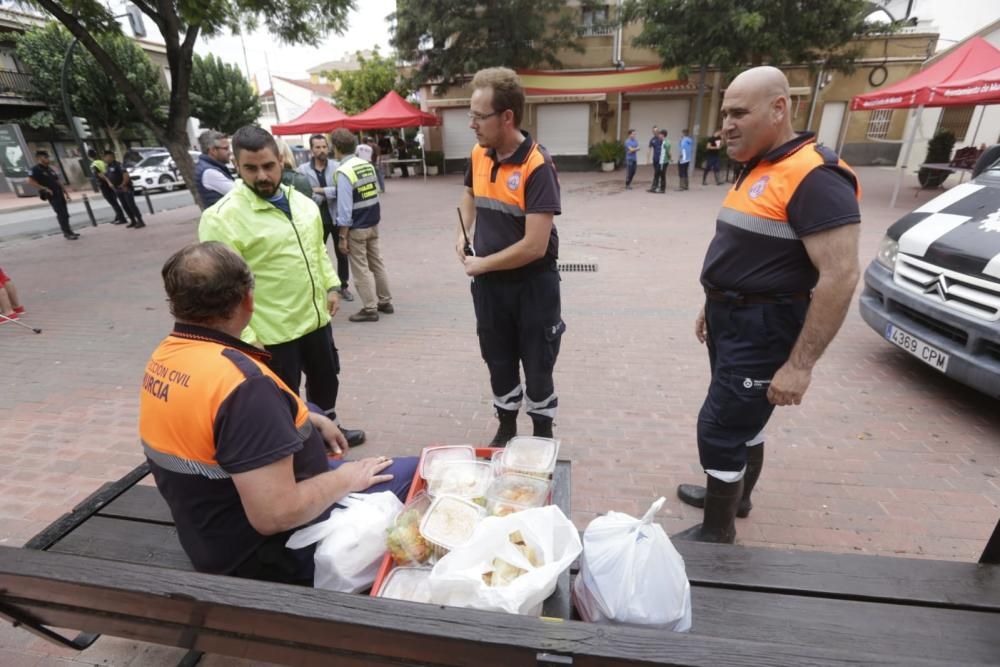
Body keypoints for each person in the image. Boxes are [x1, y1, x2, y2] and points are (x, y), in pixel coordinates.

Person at [140, 241, 417, 583]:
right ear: (248, 300)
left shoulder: (168, 355)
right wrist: (345, 479)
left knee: (312, 409)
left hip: (206, 528)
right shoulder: (244, 388)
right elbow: (275, 514)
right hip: (266, 552)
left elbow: (215, 418)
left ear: (175, 305)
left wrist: (306, 415)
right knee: (418, 473)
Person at [674, 66, 861, 544]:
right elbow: (747, 250)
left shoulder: (814, 175)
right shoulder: (761, 165)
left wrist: (800, 366)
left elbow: (840, 275)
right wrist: (711, 302)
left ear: (780, 108)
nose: (726, 125)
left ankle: (718, 536)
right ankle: (739, 496)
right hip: (730, 317)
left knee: (718, 426)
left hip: (764, 326)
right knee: (744, 420)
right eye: (724, 115)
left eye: (739, 113)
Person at [199, 125, 366, 448]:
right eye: (251, 168)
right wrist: (247, 340)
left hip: (315, 321)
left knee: (326, 380)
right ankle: (296, 448)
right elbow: (221, 291)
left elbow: (317, 251)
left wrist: (332, 286)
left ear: (281, 160)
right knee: (280, 398)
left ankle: (328, 426)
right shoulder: (222, 217)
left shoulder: (303, 204)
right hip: (271, 334)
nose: (262, 175)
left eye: (268, 165)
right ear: (237, 165)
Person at [457, 67, 565, 445]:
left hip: (532, 285)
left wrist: (480, 264)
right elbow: (470, 193)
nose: (471, 124)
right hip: (490, 287)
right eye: (469, 114)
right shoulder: (479, 153)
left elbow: (535, 245)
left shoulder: (537, 165)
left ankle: (541, 433)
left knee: (538, 362)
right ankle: (506, 425)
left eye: (478, 116)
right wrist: (463, 231)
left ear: (507, 117)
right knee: (498, 359)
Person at [331, 128, 394, 322]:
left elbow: (344, 209)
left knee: (360, 269)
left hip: (357, 227)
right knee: (377, 263)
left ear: (337, 148)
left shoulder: (344, 171)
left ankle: (369, 308)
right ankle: (385, 301)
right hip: (372, 222)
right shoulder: (366, 165)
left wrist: (342, 236)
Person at [296, 134, 354, 302]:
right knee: (315, 253)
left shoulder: (338, 167)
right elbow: (303, 193)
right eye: (317, 147)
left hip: (336, 218)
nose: (321, 150)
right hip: (315, 219)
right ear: (311, 149)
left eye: (324, 147)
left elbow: (341, 191)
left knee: (342, 253)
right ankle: (320, 286)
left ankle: (343, 286)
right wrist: (322, 195)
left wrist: (320, 191)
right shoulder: (303, 170)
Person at [27, 150, 78, 240]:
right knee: (61, 214)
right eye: (45, 157)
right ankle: (66, 233)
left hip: (59, 193)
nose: (47, 159)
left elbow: (57, 181)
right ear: (39, 158)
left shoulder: (49, 169)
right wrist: (44, 188)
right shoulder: (35, 169)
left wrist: (66, 192)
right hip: (52, 195)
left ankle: (69, 231)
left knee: (65, 214)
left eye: (47, 157)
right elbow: (30, 181)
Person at [103, 150, 145, 229]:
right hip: (117, 189)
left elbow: (126, 175)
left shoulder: (118, 165)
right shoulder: (107, 166)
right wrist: (109, 183)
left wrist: (123, 185)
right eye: (104, 157)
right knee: (125, 205)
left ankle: (140, 221)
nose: (105, 158)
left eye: (106, 156)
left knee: (131, 205)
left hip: (125, 188)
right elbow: (106, 176)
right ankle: (133, 221)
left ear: (111, 157)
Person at [195, 130, 235, 210]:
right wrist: (240, 167)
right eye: (226, 148)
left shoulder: (211, 167)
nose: (230, 152)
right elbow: (241, 193)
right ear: (213, 150)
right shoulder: (209, 172)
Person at [87, 148, 127, 225]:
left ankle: (121, 218)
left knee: (113, 202)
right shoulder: (102, 162)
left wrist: (108, 182)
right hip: (110, 183)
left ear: (89, 156)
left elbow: (100, 174)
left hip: (104, 185)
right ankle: (118, 217)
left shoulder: (94, 164)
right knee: (115, 201)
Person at [646, 126, 663, 192]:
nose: (655, 132)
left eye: (656, 130)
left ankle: (654, 186)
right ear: (652, 132)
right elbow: (649, 149)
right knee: (656, 172)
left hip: (661, 159)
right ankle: (656, 186)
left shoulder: (661, 139)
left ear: (658, 131)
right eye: (654, 131)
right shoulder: (652, 140)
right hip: (655, 159)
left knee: (657, 173)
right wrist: (647, 160)